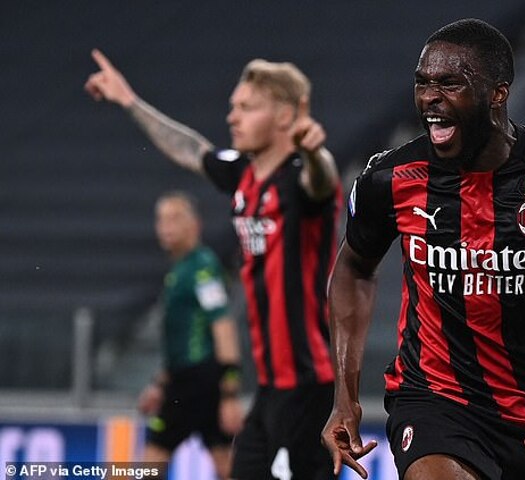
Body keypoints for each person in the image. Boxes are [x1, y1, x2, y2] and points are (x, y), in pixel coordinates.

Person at [321, 18, 525, 480]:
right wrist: (344, 397)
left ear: (497, 93)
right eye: (423, 83)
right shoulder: (390, 178)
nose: (430, 98)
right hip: (432, 398)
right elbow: (353, 269)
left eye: (450, 84)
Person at [86, 51, 340, 479]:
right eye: (233, 106)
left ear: (284, 116)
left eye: (246, 107)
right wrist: (129, 100)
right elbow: (191, 150)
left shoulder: (300, 178)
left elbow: (322, 181)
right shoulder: (244, 175)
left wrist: (315, 153)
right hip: (271, 388)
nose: (232, 117)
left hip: (308, 386)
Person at [139, 191, 243, 480]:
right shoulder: (182, 269)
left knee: (151, 462)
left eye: (175, 218)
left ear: (194, 225)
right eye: (161, 219)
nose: (166, 227)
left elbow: (222, 325)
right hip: (191, 380)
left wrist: (230, 393)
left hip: (196, 381)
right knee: (224, 463)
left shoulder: (202, 269)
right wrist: (160, 384)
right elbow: (180, 341)